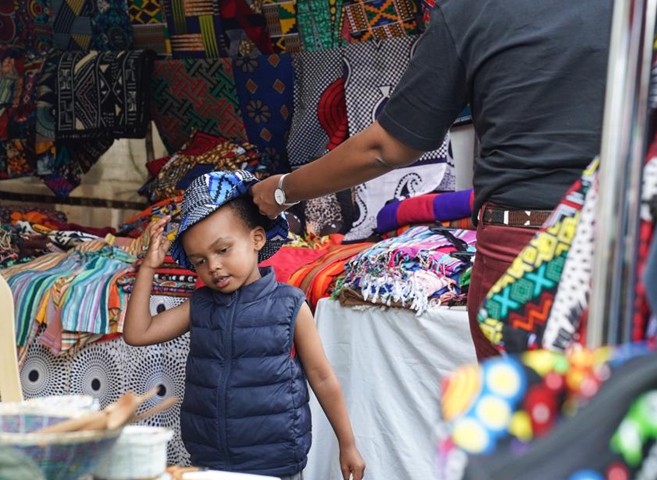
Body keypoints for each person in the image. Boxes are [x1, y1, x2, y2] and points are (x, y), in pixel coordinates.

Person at [251, 0, 613, 360]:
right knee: (643, 406)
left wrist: (283, 189)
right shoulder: (652, 9)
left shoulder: (475, 10)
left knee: (528, 409)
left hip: (523, 251)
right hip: (629, 235)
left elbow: (385, 147)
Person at [123, 170, 366, 480]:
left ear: (256, 239)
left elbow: (323, 378)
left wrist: (348, 444)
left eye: (223, 250)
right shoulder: (199, 305)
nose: (213, 266)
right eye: (199, 260)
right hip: (209, 460)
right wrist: (148, 268)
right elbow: (137, 333)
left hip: (275, 464)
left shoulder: (289, 304)